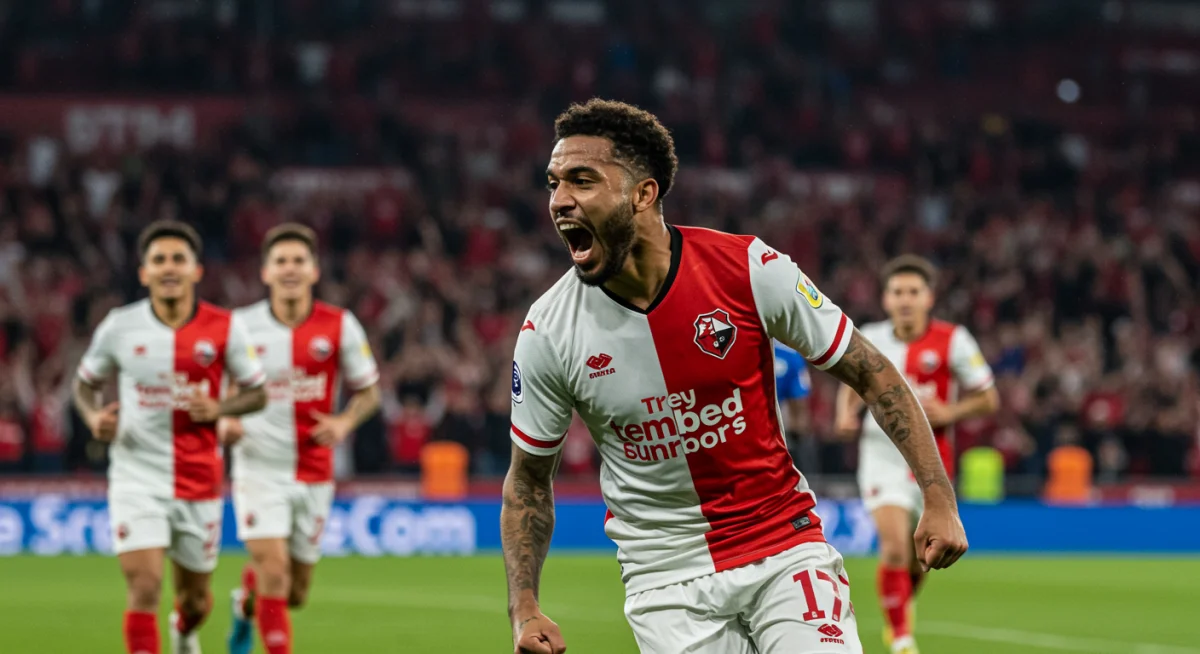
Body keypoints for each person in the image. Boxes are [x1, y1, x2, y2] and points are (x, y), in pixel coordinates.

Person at [502, 99, 969, 654]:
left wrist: (938, 496)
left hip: (782, 546)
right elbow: (529, 480)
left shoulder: (749, 268)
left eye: (582, 181)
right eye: (553, 183)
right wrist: (524, 609)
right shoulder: (547, 331)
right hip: (665, 578)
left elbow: (873, 373)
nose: (559, 201)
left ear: (643, 194)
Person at [73, 220, 268, 654]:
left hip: (199, 481)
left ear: (197, 270)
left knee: (195, 601)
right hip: (135, 478)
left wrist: (220, 408)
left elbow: (258, 393)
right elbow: (83, 384)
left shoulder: (226, 327)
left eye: (178, 259)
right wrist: (91, 417)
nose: (168, 268)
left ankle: (184, 630)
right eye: (158, 260)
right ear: (144, 273)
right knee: (144, 586)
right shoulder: (120, 326)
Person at [222, 223, 381, 654]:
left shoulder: (339, 325)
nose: (289, 269)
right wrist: (225, 424)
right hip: (257, 467)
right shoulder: (240, 326)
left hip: (313, 471)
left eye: (298, 261)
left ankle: (244, 605)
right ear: (265, 272)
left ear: (313, 271)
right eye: (281, 261)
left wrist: (345, 423)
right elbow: (214, 392)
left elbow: (370, 392)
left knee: (294, 592)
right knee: (274, 570)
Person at [835, 255, 999, 654]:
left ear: (929, 298)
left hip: (931, 461)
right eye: (897, 292)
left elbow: (988, 398)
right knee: (893, 545)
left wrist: (953, 411)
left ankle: (898, 614)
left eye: (913, 292)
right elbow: (851, 380)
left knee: (919, 558)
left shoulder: (953, 339)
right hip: (880, 455)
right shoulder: (870, 334)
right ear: (885, 299)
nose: (905, 300)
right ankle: (903, 640)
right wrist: (845, 411)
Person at [774, 340, 815, 471]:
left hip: (729, 426)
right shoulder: (790, 356)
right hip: (773, 438)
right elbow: (799, 407)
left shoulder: (732, 348)